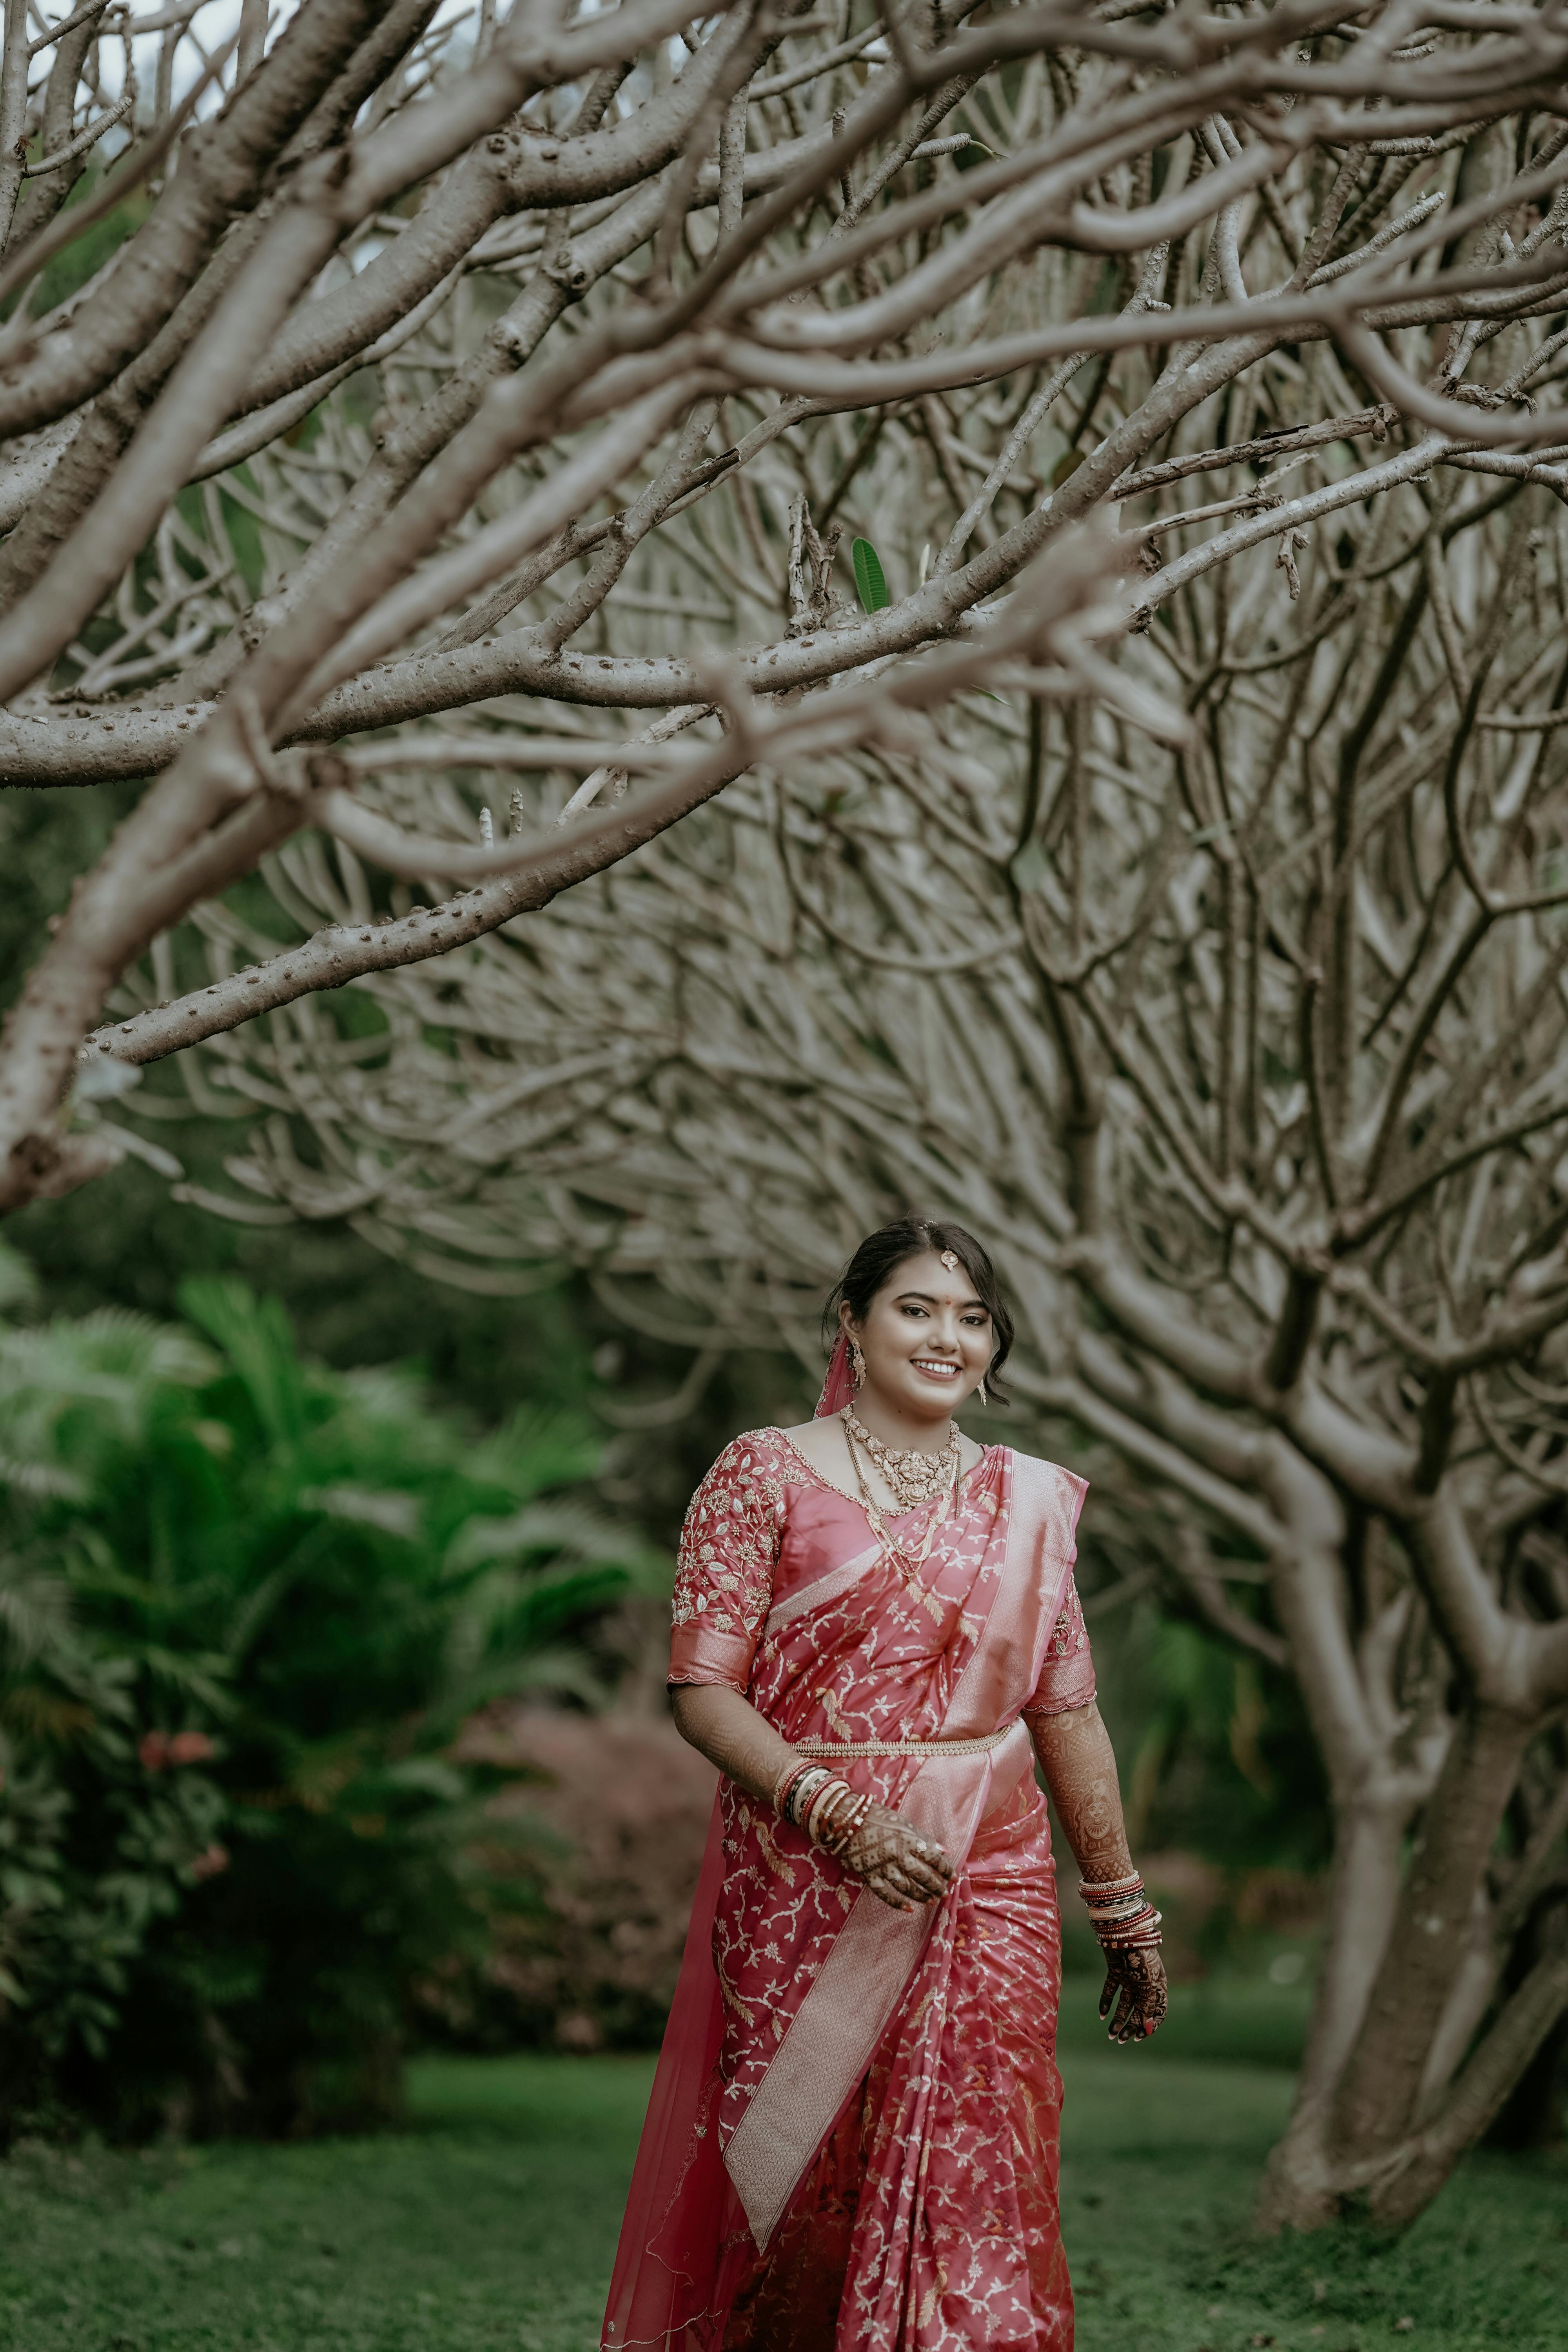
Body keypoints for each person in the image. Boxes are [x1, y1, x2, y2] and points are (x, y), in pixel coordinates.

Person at [603, 1216, 1167, 2352]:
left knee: (977, 2160)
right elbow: (702, 1693)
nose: (948, 1338)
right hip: (804, 1871)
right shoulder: (762, 1472)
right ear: (853, 1326)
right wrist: (840, 1814)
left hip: (986, 1873)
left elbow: (1067, 1712)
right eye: (917, 1308)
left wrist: (1119, 1903)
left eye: (973, 1319)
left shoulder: (1029, 1502)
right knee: (798, 2169)